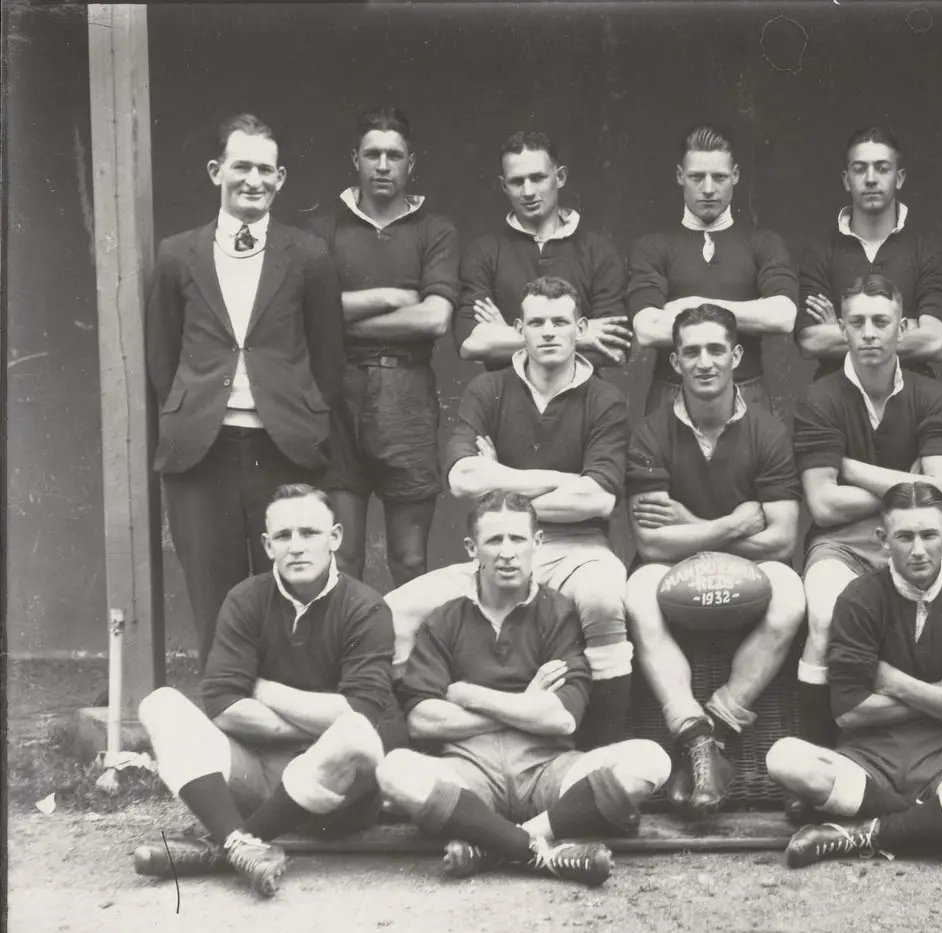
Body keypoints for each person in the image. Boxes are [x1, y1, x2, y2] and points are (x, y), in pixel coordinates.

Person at [374, 491, 672, 888]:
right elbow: (423, 722)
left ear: (537, 544)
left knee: (651, 760)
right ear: (471, 548)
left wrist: (468, 695)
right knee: (394, 770)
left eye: (517, 539)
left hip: (547, 771)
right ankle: (538, 852)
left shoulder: (560, 613)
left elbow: (561, 718)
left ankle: (502, 844)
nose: (507, 553)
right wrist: (526, 703)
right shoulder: (444, 620)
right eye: (494, 540)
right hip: (469, 775)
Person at [386, 276, 634, 749]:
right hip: (496, 547)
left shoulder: (605, 398)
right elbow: (462, 479)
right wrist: (564, 480)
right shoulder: (488, 388)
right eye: (536, 322)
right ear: (519, 328)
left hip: (577, 550)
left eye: (560, 321)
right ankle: (425, 748)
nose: (548, 332)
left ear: (580, 328)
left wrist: (499, 473)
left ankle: (598, 753)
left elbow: (599, 499)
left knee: (604, 597)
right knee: (394, 612)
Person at [793, 274, 942, 773]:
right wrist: (907, 481)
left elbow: (937, 496)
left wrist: (850, 467)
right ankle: (820, 764)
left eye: (881, 321)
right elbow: (824, 506)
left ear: (903, 328)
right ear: (842, 330)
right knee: (826, 619)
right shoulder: (820, 398)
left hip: (921, 545)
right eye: (857, 322)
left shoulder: (934, 395)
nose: (869, 333)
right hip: (841, 546)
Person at [766, 483, 942, 869]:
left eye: (929, 535)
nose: (918, 550)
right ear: (883, 540)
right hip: (867, 763)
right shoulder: (858, 597)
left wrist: (899, 685)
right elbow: (849, 713)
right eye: (904, 537)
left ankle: (861, 834)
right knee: (784, 758)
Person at [146, 113, 343, 666]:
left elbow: (328, 357)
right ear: (216, 172)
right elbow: (162, 356)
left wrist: (302, 417)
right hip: (203, 453)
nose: (253, 179)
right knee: (217, 599)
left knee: (290, 592)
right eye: (241, 166)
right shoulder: (176, 254)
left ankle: (287, 725)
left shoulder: (307, 255)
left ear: (280, 180)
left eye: (266, 169)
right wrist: (195, 410)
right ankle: (222, 727)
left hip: (282, 450)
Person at [132, 485, 395, 898]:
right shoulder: (246, 599)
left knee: (356, 735)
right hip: (254, 779)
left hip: (332, 796)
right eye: (283, 536)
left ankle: (226, 844)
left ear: (336, 538)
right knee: (159, 704)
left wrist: (264, 690)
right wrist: (321, 719)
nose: (296, 547)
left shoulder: (367, 607)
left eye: (309, 533)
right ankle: (243, 845)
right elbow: (223, 705)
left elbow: (360, 714)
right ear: (267, 545)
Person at [624, 304, 807, 818]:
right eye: (691, 352)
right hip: (674, 567)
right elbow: (652, 545)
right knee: (638, 593)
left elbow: (782, 539)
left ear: (736, 355)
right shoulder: (649, 433)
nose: (704, 362)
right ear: (675, 363)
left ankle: (717, 730)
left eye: (715, 350)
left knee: (790, 593)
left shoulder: (768, 432)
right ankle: (691, 728)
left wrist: (688, 526)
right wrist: (728, 526)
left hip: (751, 565)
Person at [310, 106, 459, 587]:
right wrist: (389, 296)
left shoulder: (434, 231)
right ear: (355, 158)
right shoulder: (325, 232)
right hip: (340, 396)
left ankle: (410, 663)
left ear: (410, 163)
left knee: (409, 559)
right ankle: (350, 661)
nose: (382, 164)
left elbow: (435, 318)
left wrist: (341, 315)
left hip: (407, 396)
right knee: (343, 557)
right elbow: (308, 314)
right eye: (372, 153)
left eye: (393, 155)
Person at [627, 124, 797, 413]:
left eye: (719, 177)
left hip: (747, 396)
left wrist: (695, 305)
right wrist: (747, 313)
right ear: (681, 176)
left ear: (735, 176)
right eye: (697, 177)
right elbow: (647, 328)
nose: (708, 189)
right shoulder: (653, 246)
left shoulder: (764, 243)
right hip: (671, 398)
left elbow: (783, 316)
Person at [457, 131, 632, 371]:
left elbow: (614, 350)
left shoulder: (599, 252)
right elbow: (471, 344)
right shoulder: (483, 253)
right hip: (507, 402)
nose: (528, 192)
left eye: (538, 178)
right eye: (517, 181)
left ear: (559, 177)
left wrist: (507, 336)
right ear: (503, 186)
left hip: (581, 403)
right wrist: (579, 335)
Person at [795, 127, 942, 381]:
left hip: (911, 403)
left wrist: (840, 329)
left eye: (882, 168)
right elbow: (810, 342)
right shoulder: (820, 251)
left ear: (899, 178)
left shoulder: (926, 250)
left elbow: (934, 342)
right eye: (859, 169)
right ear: (846, 179)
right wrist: (905, 328)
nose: (870, 178)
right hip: (835, 402)